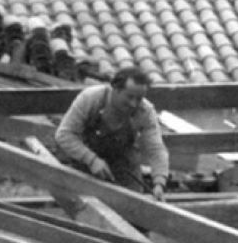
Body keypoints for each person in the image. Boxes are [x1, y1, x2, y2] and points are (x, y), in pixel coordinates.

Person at [54, 67, 169, 201]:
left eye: (139, 99)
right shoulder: (91, 99)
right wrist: (91, 160)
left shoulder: (145, 111)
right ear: (115, 89)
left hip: (125, 174)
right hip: (84, 172)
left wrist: (159, 182)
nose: (134, 104)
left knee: (132, 213)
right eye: (130, 97)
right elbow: (64, 134)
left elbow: (156, 149)